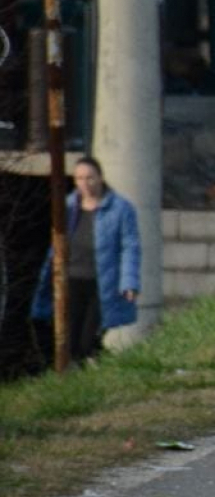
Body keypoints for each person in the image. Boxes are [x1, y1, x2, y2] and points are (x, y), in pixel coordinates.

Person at [31, 156, 141, 364]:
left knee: (87, 340)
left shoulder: (121, 209)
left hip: (102, 283)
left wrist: (129, 282)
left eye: (90, 178)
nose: (85, 184)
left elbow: (130, 247)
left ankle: (101, 364)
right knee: (69, 343)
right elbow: (56, 245)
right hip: (71, 281)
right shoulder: (69, 207)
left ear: (100, 178)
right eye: (80, 178)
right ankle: (79, 381)